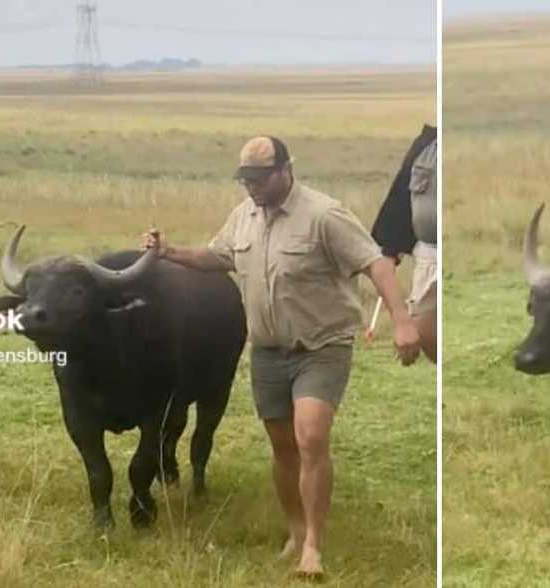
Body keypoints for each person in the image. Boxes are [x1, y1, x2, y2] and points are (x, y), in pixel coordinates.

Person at [143, 135, 421, 577]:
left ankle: (314, 545)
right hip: (268, 351)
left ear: (285, 170)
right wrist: (169, 252)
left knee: (310, 436)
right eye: (245, 179)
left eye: (259, 178)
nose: (251, 187)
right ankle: (295, 532)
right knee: (283, 446)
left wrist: (402, 320)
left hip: (321, 347)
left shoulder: (324, 215)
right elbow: (216, 256)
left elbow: (377, 263)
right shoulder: (244, 216)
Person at [370, 124, 438, 362]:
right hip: (428, 259)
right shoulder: (426, 145)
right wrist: (390, 246)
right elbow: (401, 199)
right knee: (427, 333)